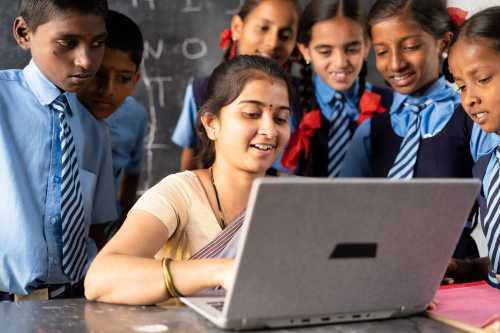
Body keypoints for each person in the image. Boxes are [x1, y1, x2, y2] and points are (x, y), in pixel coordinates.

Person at [84, 55, 293, 305]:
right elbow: (100, 279)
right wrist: (220, 271)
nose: (270, 130)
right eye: (251, 113)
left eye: (280, 118)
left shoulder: (295, 197)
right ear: (211, 123)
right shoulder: (179, 193)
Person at [340, 0, 478, 261]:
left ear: (444, 43)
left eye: (411, 47)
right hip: (380, 272)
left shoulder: (473, 121)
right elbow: (346, 216)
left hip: (456, 276)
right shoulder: (370, 132)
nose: (395, 64)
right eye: (381, 52)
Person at [0, 0, 116, 300]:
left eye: (98, 44)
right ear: (24, 33)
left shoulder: (93, 128)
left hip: (74, 299)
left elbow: (95, 228)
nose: (86, 62)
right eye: (68, 43)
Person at [171, 0, 301, 171]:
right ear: (237, 27)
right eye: (263, 28)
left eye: (280, 118)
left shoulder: (305, 94)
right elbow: (191, 164)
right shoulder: (201, 90)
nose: (273, 43)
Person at [281, 0, 392, 177]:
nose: (340, 62)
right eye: (325, 51)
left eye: (352, 49)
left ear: (367, 46)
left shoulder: (392, 105)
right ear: (305, 51)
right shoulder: (286, 104)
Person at [75, 10, 147, 236]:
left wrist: (124, 225)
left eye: (123, 79)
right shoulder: (58, 115)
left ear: (135, 81)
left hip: (105, 228)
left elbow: (133, 172)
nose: (108, 91)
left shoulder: (134, 116)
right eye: (98, 75)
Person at [448, 6, 500, 288]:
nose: (469, 99)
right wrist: (467, 268)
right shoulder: (486, 166)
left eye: (482, 80)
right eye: (461, 86)